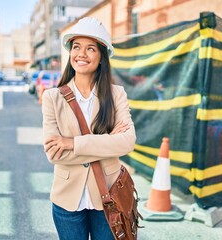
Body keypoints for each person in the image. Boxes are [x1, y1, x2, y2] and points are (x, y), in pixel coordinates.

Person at [41, 17, 136, 240]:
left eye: (90, 48)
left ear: (102, 57)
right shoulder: (52, 98)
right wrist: (108, 142)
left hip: (109, 196)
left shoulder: (116, 94)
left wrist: (72, 143)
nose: (81, 54)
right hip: (67, 201)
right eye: (76, 47)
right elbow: (54, 154)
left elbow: (128, 141)